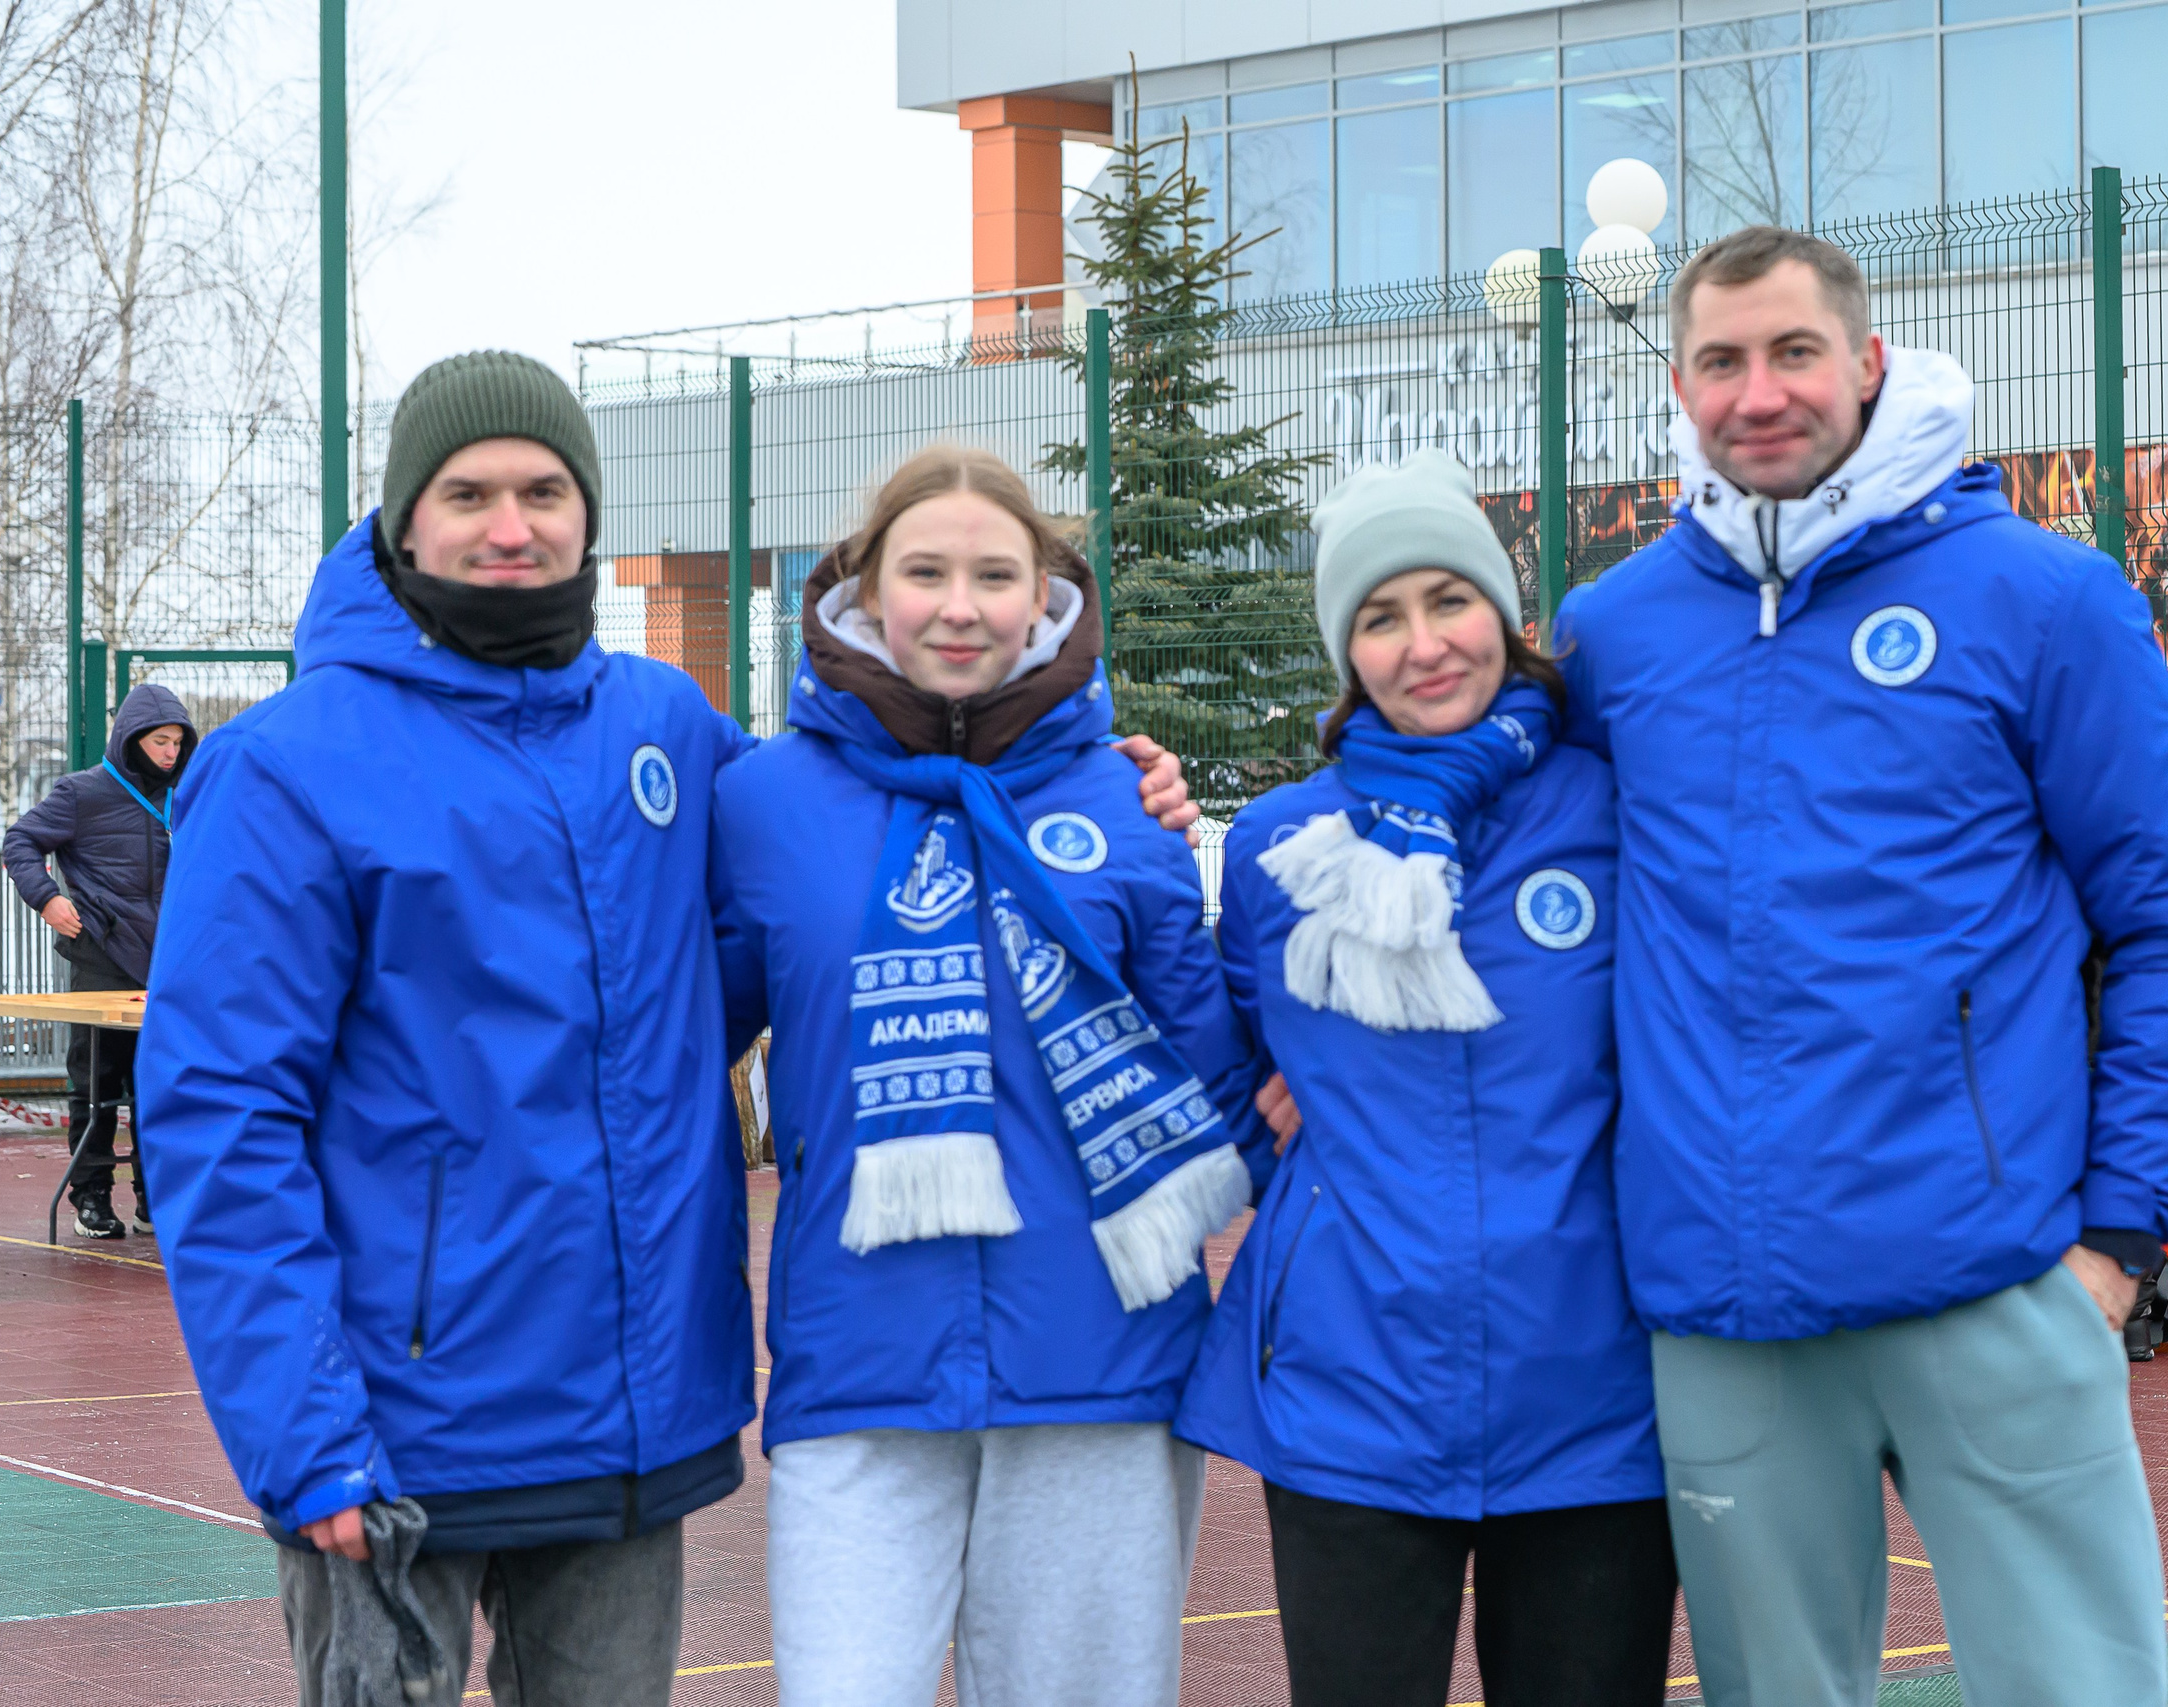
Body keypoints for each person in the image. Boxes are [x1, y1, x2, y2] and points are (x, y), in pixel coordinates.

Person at [136, 355, 1204, 1707]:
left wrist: (1106, 779)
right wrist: (303, 1433)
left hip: (624, 1429)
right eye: (467, 492)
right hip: (394, 1433)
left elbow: (858, 834)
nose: (509, 523)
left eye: (543, 488)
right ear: (402, 521)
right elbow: (222, 1122)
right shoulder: (287, 762)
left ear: (589, 512)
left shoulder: (662, 726)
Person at [1555, 226, 2168, 1705]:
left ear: (1868, 361)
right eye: (1723, 361)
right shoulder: (1613, 633)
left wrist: (2118, 1244)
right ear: (1679, 387)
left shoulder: (2042, 597)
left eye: (1795, 351)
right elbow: (1508, 878)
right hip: (1725, 1308)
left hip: (1998, 1278)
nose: (1761, 392)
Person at [710, 444, 1275, 1707]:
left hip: (1102, 1364)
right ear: (862, 590)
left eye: (992, 574)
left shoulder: (1128, 799)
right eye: (925, 572)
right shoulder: (762, 803)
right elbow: (671, 1039)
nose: (958, 605)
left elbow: (1218, 1074)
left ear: (1046, 597)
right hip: (857, 1363)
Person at [1176, 450, 1675, 1707]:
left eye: (1446, 601)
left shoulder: (1619, 809)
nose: (1423, 646)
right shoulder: (1286, 846)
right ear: (1348, 654)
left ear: (1503, 611)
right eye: (1379, 620)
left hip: (1597, 1396)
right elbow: (1227, 1058)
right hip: (1352, 1391)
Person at [3, 683, 195, 1237]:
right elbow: (20, 841)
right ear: (132, 738)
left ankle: (153, 1198)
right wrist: (48, 898)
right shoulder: (81, 792)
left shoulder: (184, 796)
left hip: (168, 964)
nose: (170, 753)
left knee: (158, 1087)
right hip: (103, 956)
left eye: (178, 743)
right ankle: (91, 1198)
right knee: (96, 1084)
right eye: (160, 741)